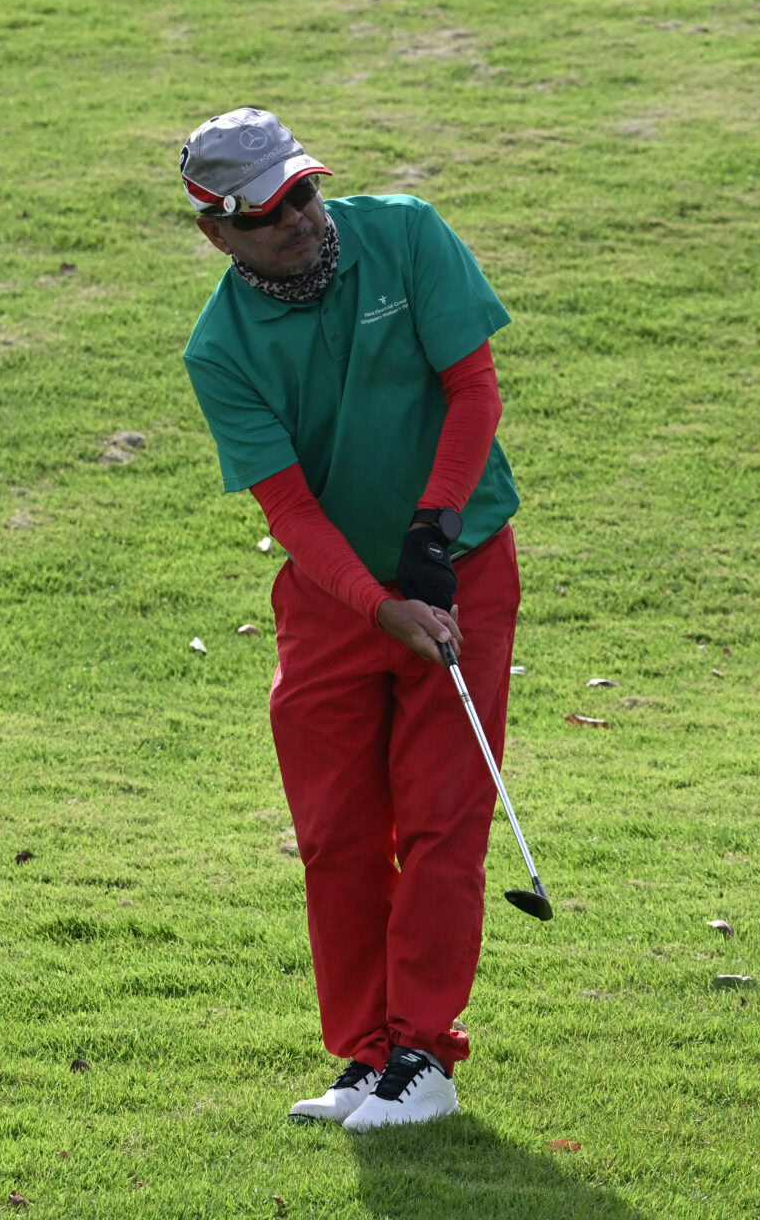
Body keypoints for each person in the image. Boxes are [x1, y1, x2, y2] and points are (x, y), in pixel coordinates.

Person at [178, 107, 522, 1132]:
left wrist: (434, 529)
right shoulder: (220, 350)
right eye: (268, 212)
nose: (300, 218)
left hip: (458, 570)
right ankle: (368, 1053)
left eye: (305, 191)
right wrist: (378, 604)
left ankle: (424, 1055)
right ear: (218, 232)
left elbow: (472, 388)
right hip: (334, 602)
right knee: (335, 833)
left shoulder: (406, 233)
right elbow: (288, 510)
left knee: (442, 815)